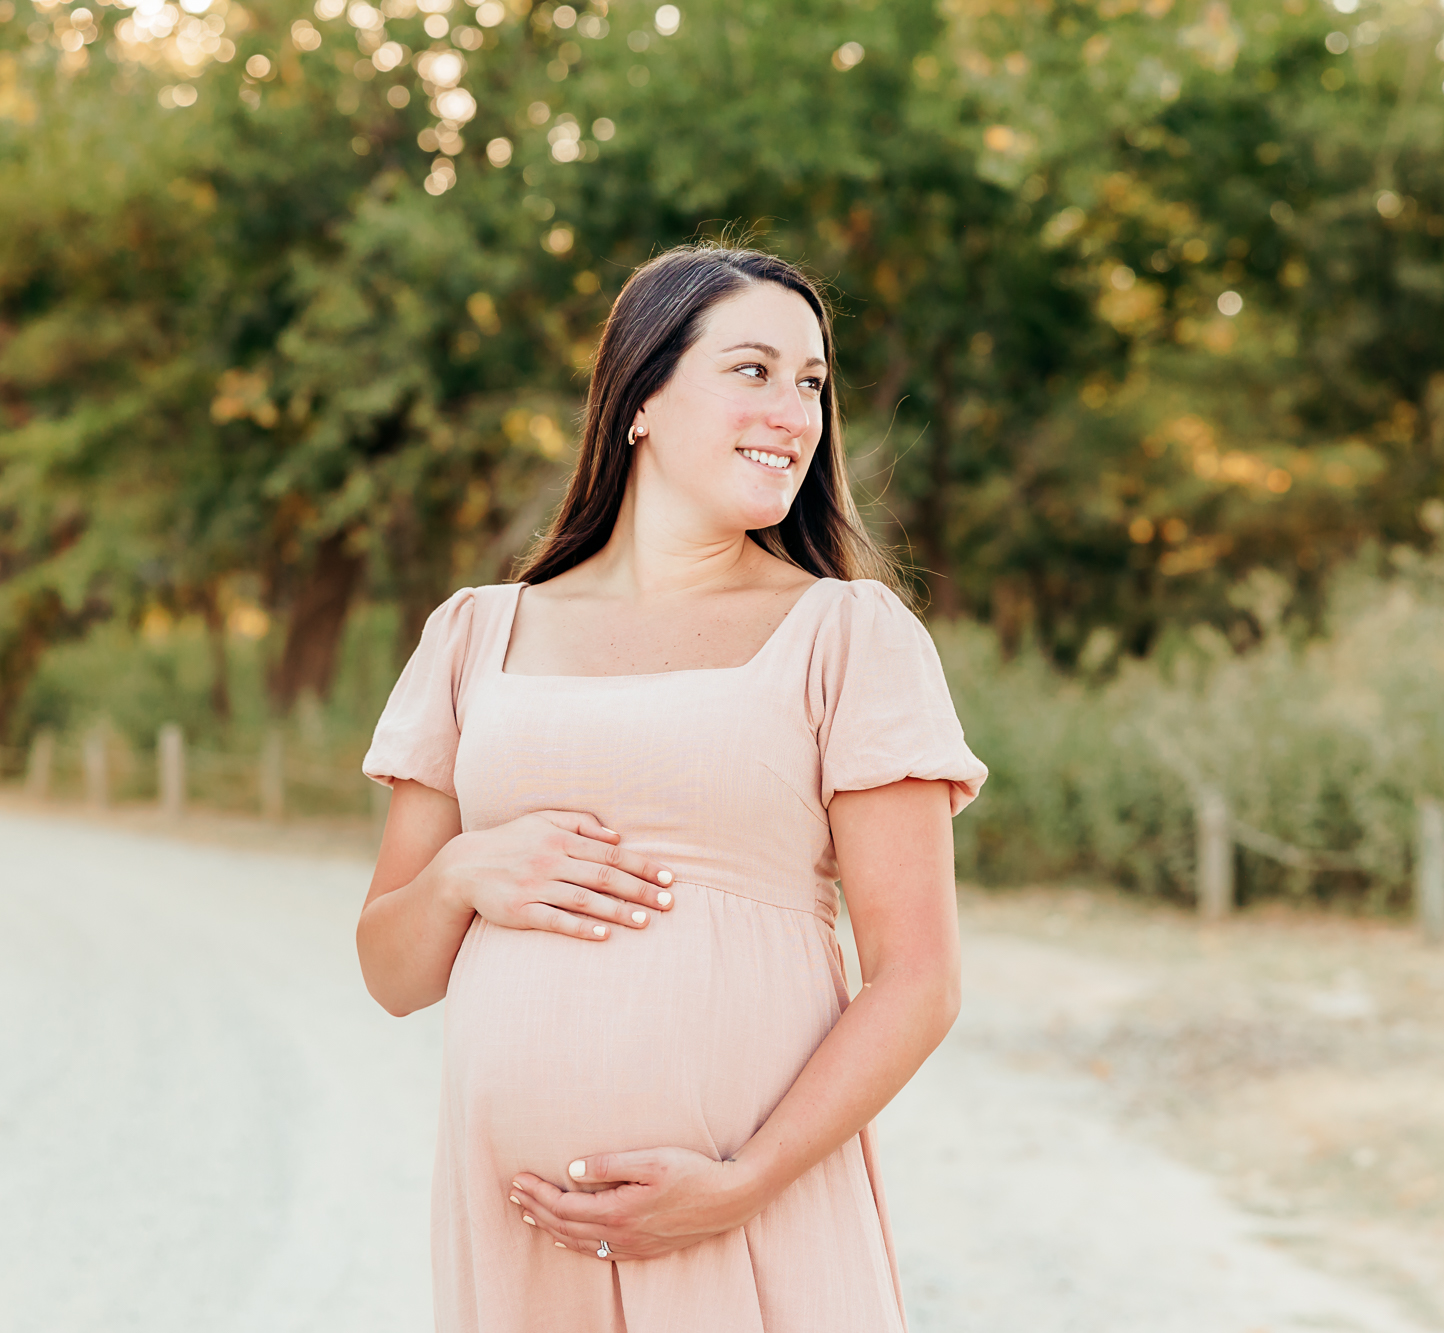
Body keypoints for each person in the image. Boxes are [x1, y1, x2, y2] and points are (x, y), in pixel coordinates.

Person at [356, 243, 987, 1333]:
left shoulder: (846, 635)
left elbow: (917, 978)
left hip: (748, 1219)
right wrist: (462, 871)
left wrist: (739, 1182)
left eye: (810, 382)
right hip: (517, 1240)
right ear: (640, 396)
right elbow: (393, 972)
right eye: (751, 370)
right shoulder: (474, 635)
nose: (793, 411)